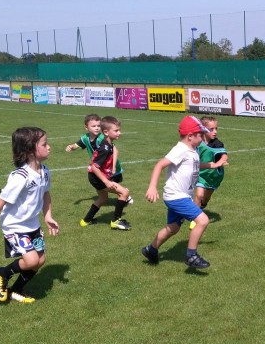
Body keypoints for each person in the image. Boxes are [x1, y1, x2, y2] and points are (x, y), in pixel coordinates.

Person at [0, 127, 59, 304]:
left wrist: (48, 216)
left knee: (40, 260)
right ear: (30, 150)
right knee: (31, 260)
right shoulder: (20, 176)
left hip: (33, 224)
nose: (49, 147)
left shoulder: (45, 171)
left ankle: (16, 289)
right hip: (15, 226)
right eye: (44, 144)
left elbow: (46, 194)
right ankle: (1, 273)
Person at [141, 115, 224, 269]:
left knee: (173, 228)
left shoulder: (192, 149)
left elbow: (194, 165)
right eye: (200, 134)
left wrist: (212, 165)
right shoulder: (180, 149)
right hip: (176, 196)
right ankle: (191, 255)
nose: (203, 136)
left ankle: (151, 250)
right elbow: (160, 165)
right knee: (203, 220)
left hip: (182, 196)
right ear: (190, 136)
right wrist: (152, 186)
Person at [82, 116, 132, 230]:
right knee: (124, 193)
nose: (119, 133)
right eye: (116, 130)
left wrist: (113, 167)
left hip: (94, 176)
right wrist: (106, 181)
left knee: (103, 198)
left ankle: (86, 220)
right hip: (97, 177)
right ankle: (116, 221)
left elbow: (114, 150)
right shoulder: (104, 148)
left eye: (119, 130)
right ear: (106, 132)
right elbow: (94, 166)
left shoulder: (109, 144)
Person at [190, 116, 228, 230]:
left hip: (214, 176)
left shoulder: (217, 144)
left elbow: (224, 156)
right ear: (203, 129)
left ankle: (201, 208)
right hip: (201, 174)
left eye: (216, 128)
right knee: (199, 195)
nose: (215, 131)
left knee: (206, 198)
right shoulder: (197, 141)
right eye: (211, 129)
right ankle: (194, 219)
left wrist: (219, 163)